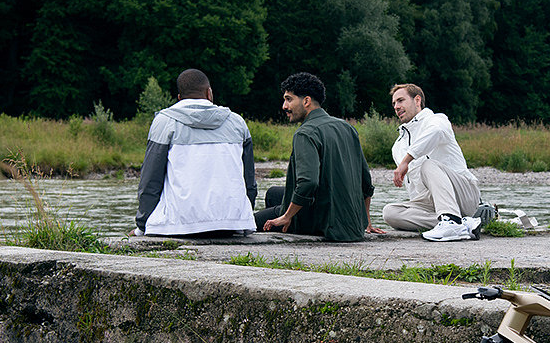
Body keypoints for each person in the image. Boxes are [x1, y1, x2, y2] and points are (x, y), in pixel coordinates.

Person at [255, 72, 379, 242]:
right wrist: (365, 221)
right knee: (273, 193)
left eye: (289, 99)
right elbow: (366, 182)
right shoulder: (347, 128)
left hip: (325, 224)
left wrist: (286, 216)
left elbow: (308, 183)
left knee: (251, 223)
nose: (284, 106)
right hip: (351, 223)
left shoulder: (305, 133)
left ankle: (288, 223)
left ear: (306, 101)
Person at [135, 69, 256, 236]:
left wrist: (142, 225)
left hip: (179, 224)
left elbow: (150, 181)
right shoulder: (237, 122)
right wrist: (243, 218)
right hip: (232, 223)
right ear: (209, 93)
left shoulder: (164, 122)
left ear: (179, 98)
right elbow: (249, 181)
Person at [382, 83, 486, 241]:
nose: (396, 106)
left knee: (427, 165)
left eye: (401, 100)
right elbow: (413, 188)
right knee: (390, 212)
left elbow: (435, 132)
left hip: (462, 193)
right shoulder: (397, 146)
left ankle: (451, 220)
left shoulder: (437, 120)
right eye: (394, 103)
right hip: (431, 203)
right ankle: (462, 223)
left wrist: (407, 160)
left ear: (417, 100)